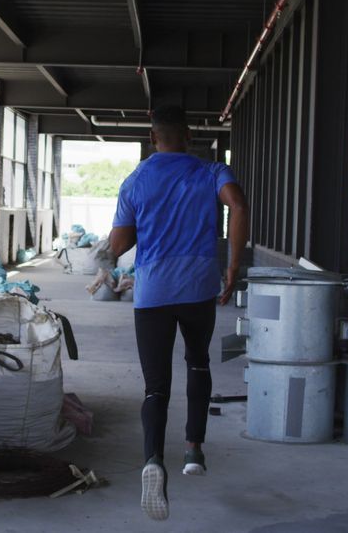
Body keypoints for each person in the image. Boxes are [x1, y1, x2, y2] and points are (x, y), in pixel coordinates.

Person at [108, 105, 248, 521]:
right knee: (198, 364)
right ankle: (193, 451)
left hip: (152, 293)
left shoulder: (135, 181)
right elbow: (237, 206)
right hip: (198, 289)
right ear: (188, 137)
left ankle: (153, 459)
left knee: (156, 385)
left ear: (154, 138)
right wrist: (233, 266)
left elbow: (117, 247)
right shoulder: (211, 172)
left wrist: (140, 224)